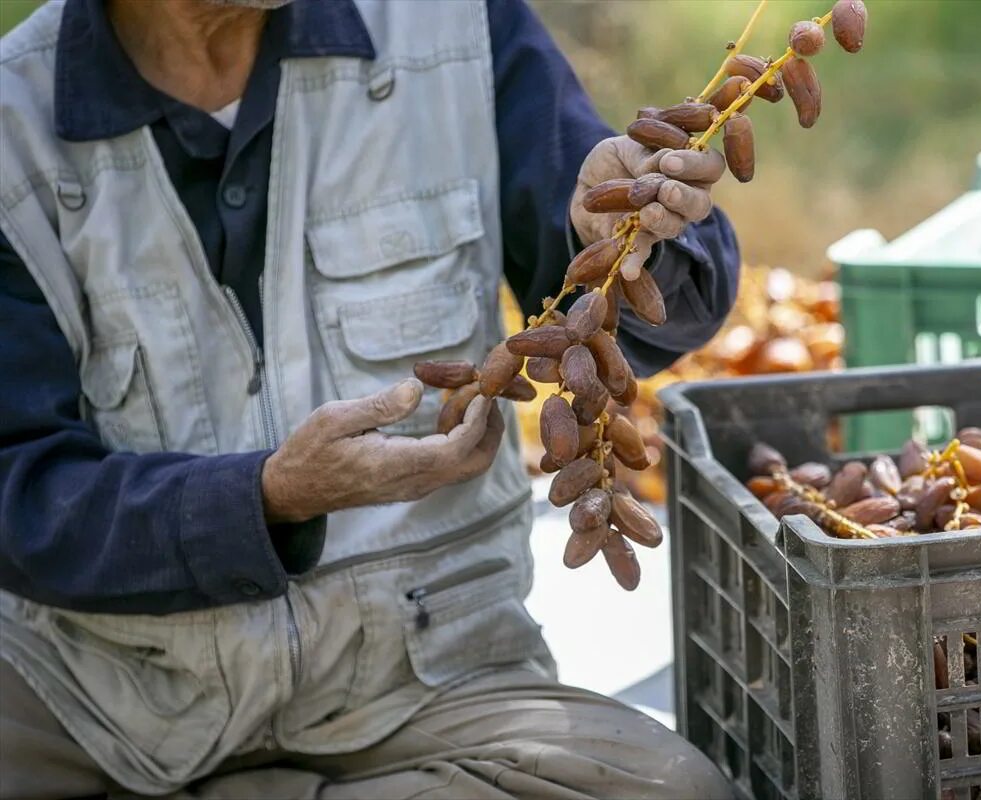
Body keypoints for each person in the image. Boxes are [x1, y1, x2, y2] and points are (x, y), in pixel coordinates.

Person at [0, 0, 740, 797]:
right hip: (98, 701)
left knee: (667, 789)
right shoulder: (13, 128)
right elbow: (20, 493)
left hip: (423, 682)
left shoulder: (452, 26)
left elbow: (620, 317)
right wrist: (264, 499)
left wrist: (626, 236)